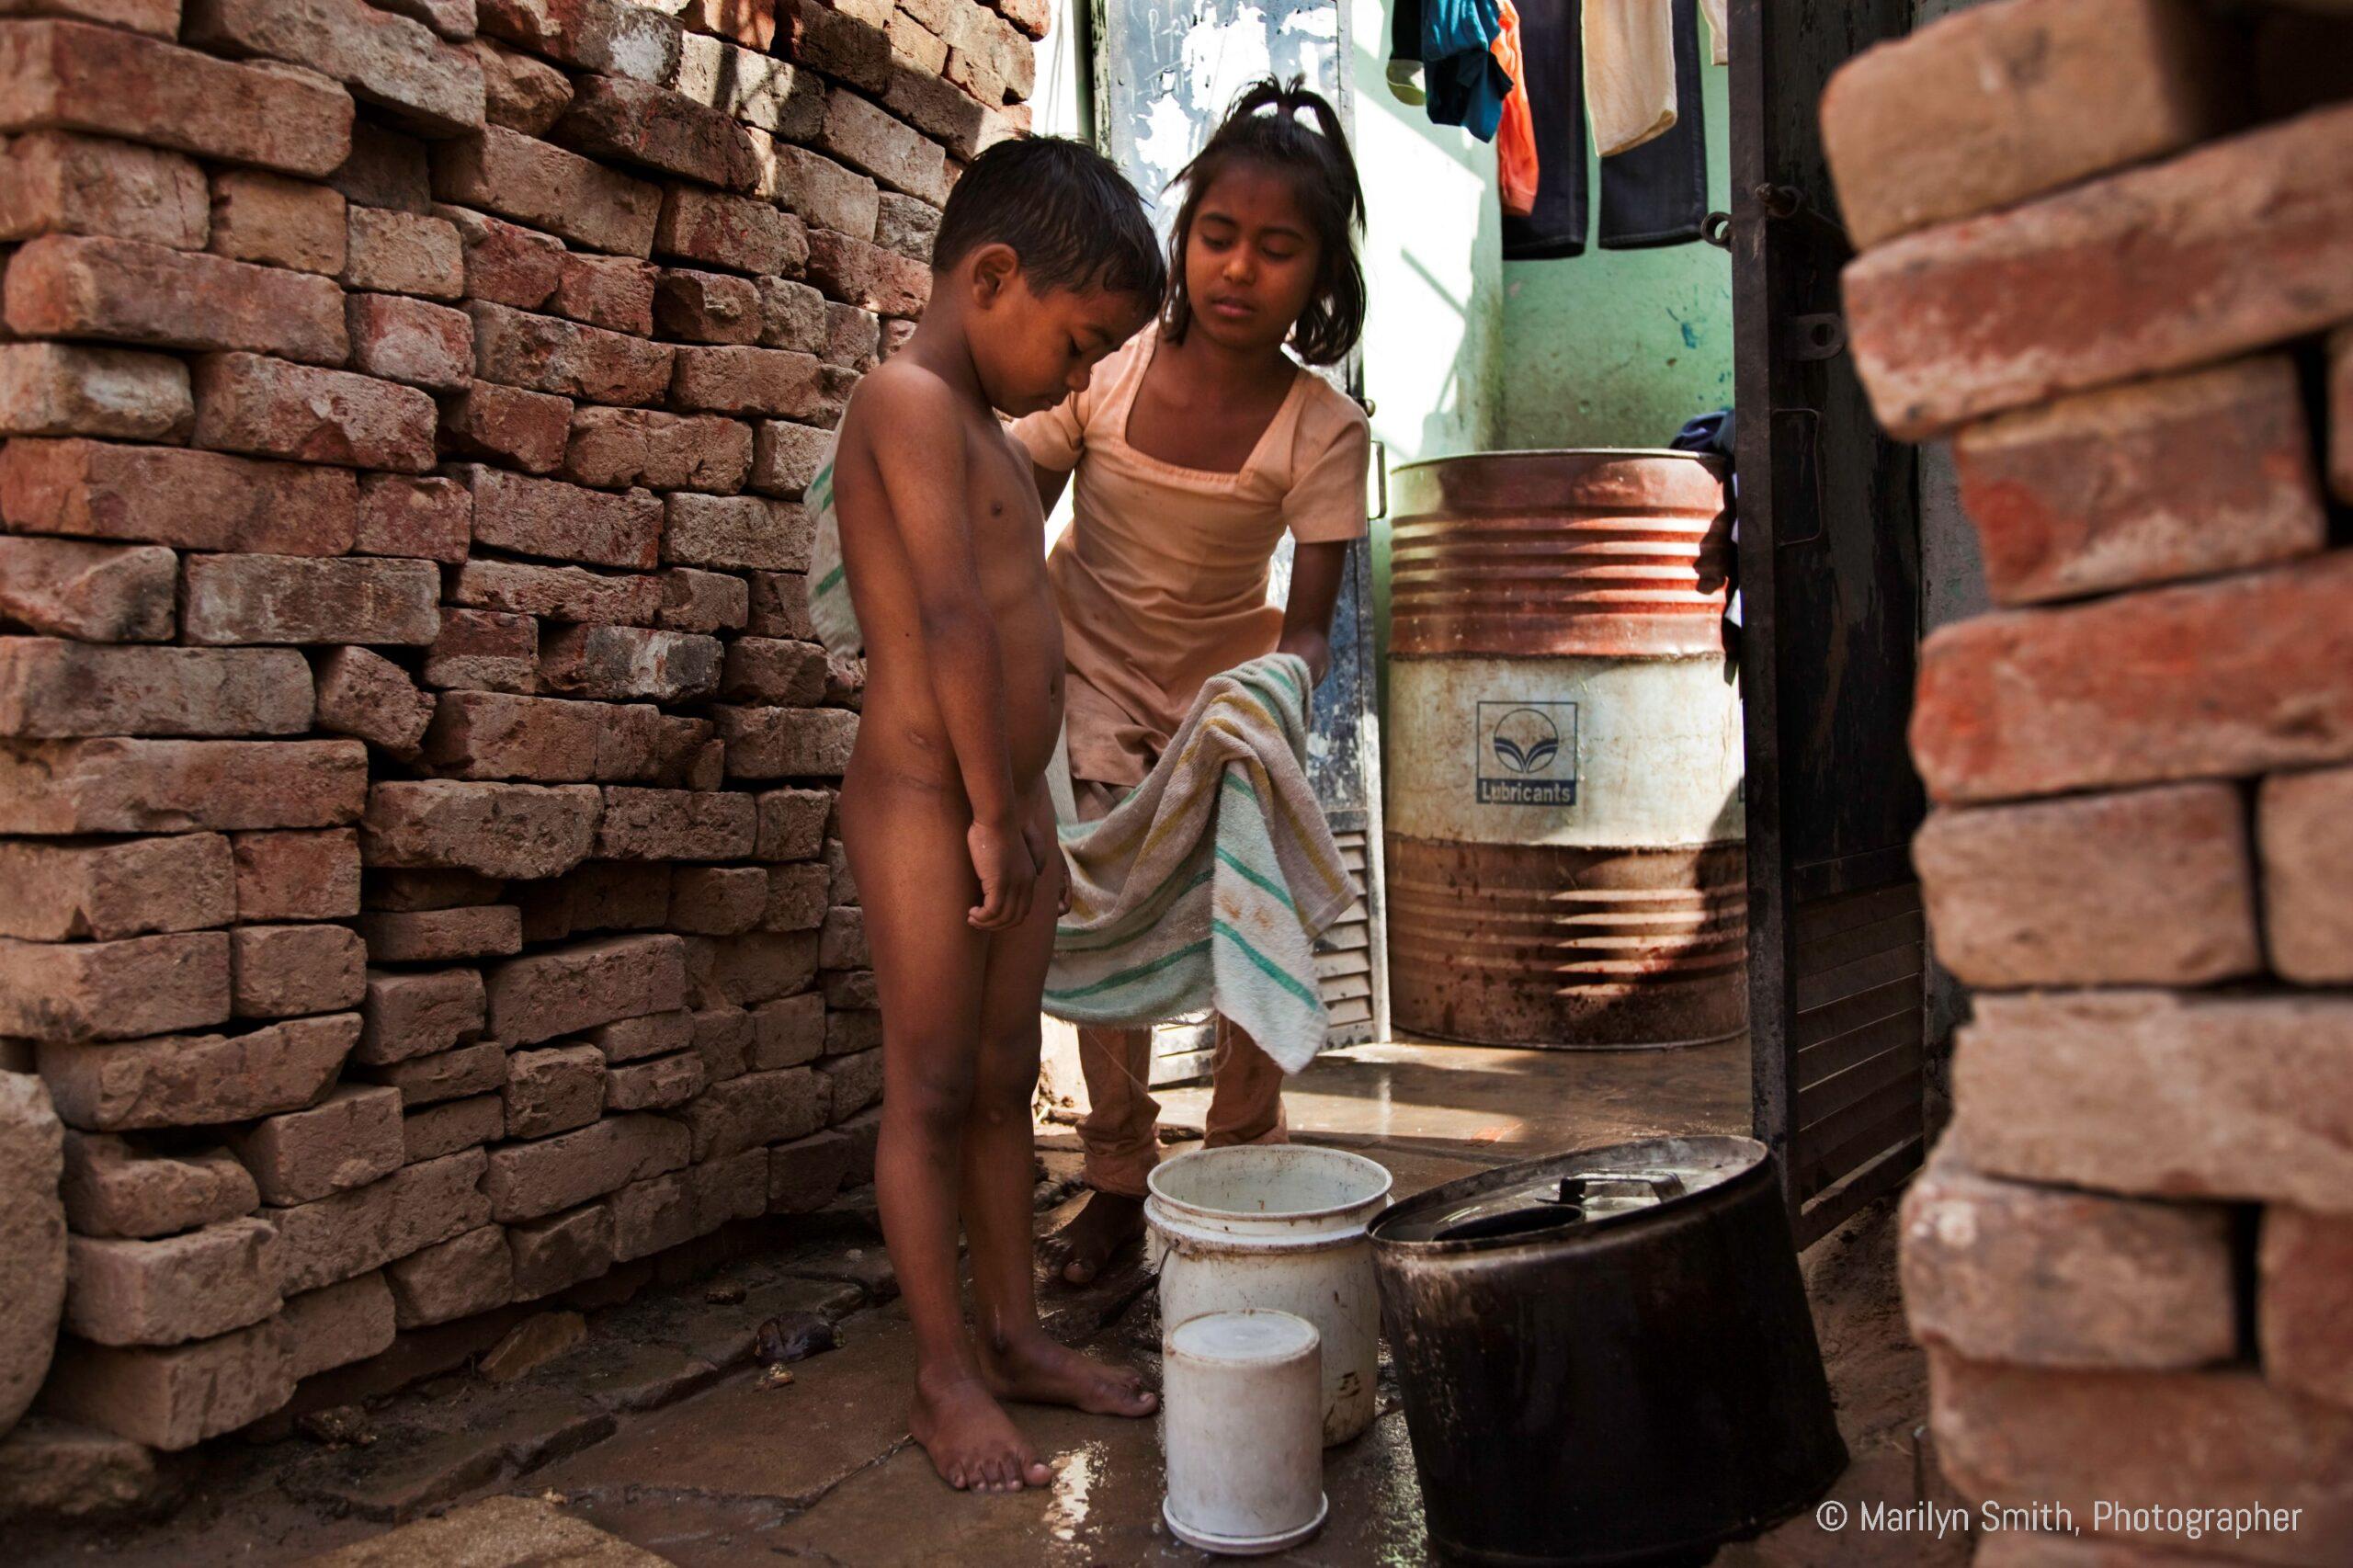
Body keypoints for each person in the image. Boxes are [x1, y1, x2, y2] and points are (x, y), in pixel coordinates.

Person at [829, 135, 1166, 1494]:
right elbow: (953, 615)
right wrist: (983, 805)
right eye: (1079, 344)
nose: (1078, 379)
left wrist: (1017, 804)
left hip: (992, 799)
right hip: (926, 797)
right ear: (994, 275)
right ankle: (941, 1372)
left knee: (1002, 1072)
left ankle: (1015, 1333)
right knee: (931, 1083)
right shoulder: (905, 399)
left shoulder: (982, 427)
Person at [1018, 80, 1373, 1286]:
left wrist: (1266, 698)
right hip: (1087, 671)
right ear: (1184, 237)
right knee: (1097, 898)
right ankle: (1118, 1174)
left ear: (1319, 276)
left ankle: (1240, 1154)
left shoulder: (1324, 428)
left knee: (1253, 881)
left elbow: (1314, 630)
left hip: (1224, 683)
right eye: (1218, 236)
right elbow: (1014, 508)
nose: (1238, 268)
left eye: (1277, 250)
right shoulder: (1109, 371)